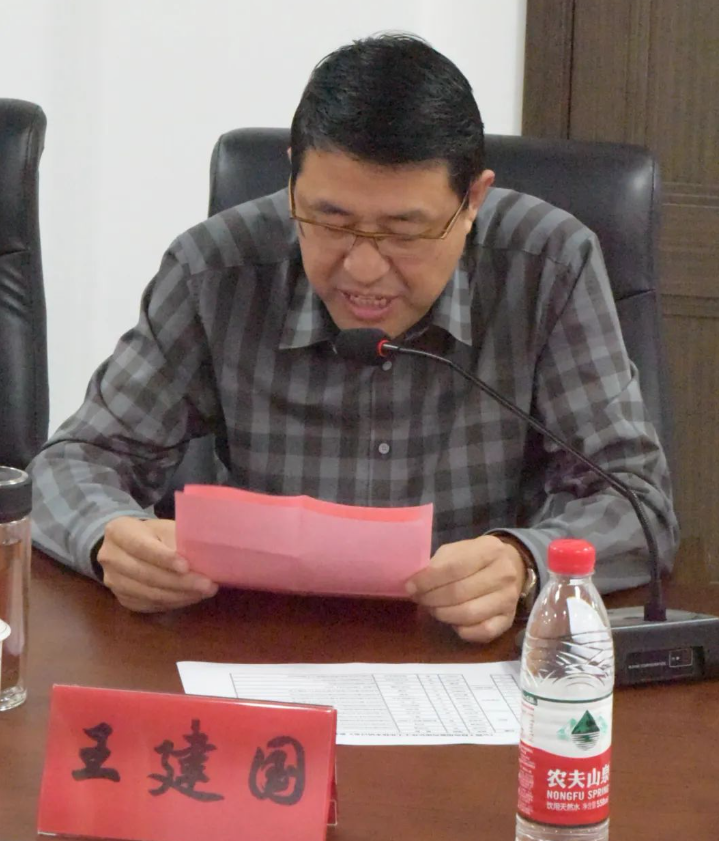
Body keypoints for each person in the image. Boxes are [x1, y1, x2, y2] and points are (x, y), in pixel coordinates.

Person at [29, 33, 678, 642]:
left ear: (473, 201)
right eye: (329, 220)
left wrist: (523, 561)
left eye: (404, 231)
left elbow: (636, 501)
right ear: (293, 177)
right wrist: (109, 534)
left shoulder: (546, 266)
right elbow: (72, 462)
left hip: (468, 653)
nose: (363, 269)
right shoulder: (216, 270)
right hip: (255, 645)